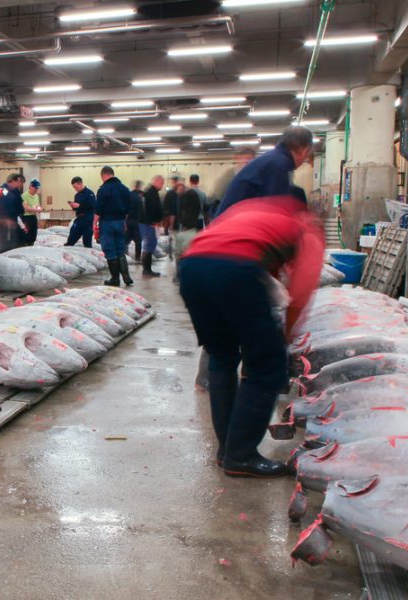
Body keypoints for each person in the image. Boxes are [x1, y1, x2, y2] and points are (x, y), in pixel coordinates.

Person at [179, 195, 324, 478]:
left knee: (222, 355)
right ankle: (241, 454)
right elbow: (300, 294)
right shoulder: (307, 232)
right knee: (267, 367)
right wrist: (282, 338)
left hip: (191, 267)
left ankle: (228, 450)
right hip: (233, 268)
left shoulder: (253, 211)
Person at [216, 126, 314, 217]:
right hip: (231, 227)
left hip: (228, 224)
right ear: (305, 150)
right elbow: (275, 213)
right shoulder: (279, 165)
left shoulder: (274, 159)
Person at [93, 166, 132, 286]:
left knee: (109, 250)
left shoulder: (103, 189)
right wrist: (123, 222)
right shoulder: (125, 189)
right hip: (120, 222)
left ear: (104, 175)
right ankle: (126, 277)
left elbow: (98, 210)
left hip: (107, 223)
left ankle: (115, 279)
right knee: (120, 249)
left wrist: (94, 224)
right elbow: (128, 209)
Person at [209, 146, 256, 219]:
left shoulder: (257, 177)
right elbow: (217, 199)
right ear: (236, 158)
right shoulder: (226, 178)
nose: (247, 163)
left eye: (250, 160)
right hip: (230, 218)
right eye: (244, 160)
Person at [173, 176, 203, 282]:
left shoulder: (188, 196)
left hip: (188, 227)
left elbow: (187, 212)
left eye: (179, 189)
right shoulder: (197, 194)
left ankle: (181, 275)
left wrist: (185, 225)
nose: (178, 191)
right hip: (195, 225)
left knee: (182, 251)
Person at [139, 175, 164, 277]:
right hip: (149, 224)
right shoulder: (151, 193)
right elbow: (151, 209)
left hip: (147, 223)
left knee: (148, 246)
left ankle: (147, 269)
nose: (162, 186)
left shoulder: (149, 191)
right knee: (149, 246)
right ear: (157, 182)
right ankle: (147, 270)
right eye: (162, 183)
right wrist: (154, 221)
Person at [0, 173, 25, 254]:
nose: (20, 184)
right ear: (12, 180)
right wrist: (5, 220)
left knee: (13, 242)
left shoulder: (16, 191)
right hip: (5, 221)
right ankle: (0, 257)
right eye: (20, 182)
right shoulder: (2, 190)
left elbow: (19, 204)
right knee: (5, 243)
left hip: (14, 220)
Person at [64, 176, 96, 248]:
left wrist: (79, 205)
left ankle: (88, 250)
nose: (75, 189)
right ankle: (69, 246)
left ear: (80, 183)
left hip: (88, 217)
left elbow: (93, 205)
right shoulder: (77, 195)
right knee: (73, 234)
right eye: (74, 188)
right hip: (79, 218)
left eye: (76, 187)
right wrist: (73, 206)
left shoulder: (90, 193)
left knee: (87, 238)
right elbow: (77, 208)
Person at [126, 180, 144, 261]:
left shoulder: (129, 195)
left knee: (125, 240)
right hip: (137, 221)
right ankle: (137, 257)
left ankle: (125, 256)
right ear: (139, 187)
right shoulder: (140, 197)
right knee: (138, 241)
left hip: (128, 220)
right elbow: (143, 210)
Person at [21, 178, 43, 246]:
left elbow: (38, 206)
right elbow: (26, 208)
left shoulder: (36, 196)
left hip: (33, 217)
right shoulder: (24, 195)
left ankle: (31, 245)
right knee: (26, 235)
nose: (36, 190)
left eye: (37, 189)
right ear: (30, 186)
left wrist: (40, 209)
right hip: (26, 218)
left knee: (33, 235)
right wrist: (37, 210)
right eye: (35, 188)